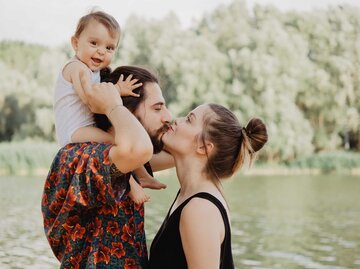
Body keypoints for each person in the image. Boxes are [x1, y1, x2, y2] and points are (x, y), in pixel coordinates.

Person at [42, 66, 173, 268]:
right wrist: (113, 106)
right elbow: (140, 150)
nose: (168, 116)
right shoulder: (82, 156)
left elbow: (175, 152)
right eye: (157, 108)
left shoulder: (126, 160)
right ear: (126, 112)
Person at [53, 10, 158, 204]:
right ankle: (134, 182)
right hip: (75, 132)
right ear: (75, 43)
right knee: (117, 142)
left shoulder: (92, 70)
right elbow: (92, 99)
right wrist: (117, 89)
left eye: (109, 48)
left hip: (83, 130)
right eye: (94, 43)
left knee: (119, 142)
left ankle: (141, 176)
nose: (101, 51)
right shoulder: (77, 68)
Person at [148, 104, 268, 269]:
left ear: (203, 147)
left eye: (189, 120)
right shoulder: (191, 193)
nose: (176, 120)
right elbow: (136, 158)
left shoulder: (200, 209)